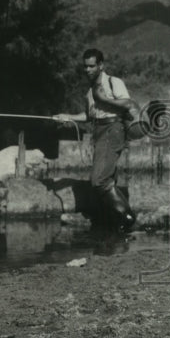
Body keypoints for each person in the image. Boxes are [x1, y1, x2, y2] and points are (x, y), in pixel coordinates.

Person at [54, 48, 137, 231]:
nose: (87, 70)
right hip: (99, 131)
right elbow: (89, 116)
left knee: (99, 180)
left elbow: (127, 103)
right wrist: (67, 116)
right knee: (106, 177)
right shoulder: (89, 92)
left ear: (101, 65)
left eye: (91, 66)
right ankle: (113, 221)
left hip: (113, 129)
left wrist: (103, 99)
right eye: (85, 67)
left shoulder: (113, 82)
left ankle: (127, 217)